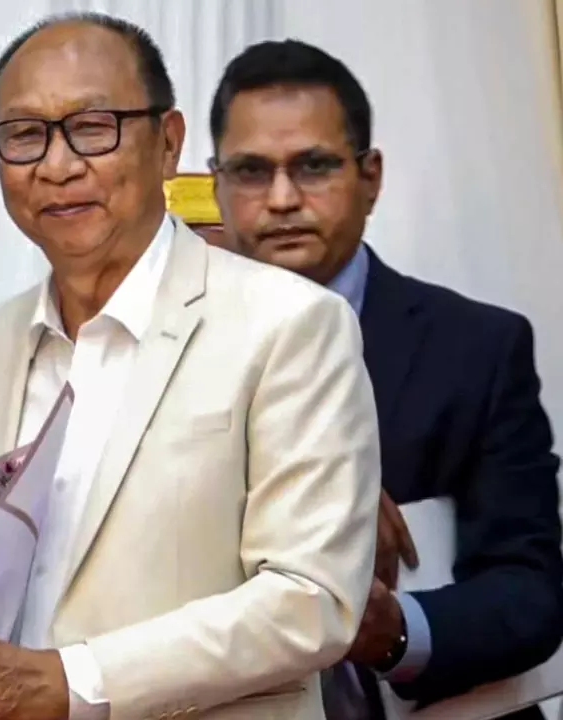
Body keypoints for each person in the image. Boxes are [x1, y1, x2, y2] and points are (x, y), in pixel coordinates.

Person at [0, 13, 380, 720]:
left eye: (93, 126)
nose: (58, 166)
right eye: (25, 135)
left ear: (169, 142)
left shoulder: (290, 325)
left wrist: (75, 681)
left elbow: (310, 601)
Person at [208, 39, 563, 720]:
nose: (281, 198)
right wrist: (323, 495)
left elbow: (529, 594)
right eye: (251, 171)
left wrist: (393, 629)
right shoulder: (160, 348)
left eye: (313, 166)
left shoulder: (479, 347)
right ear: (216, 183)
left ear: (371, 176)